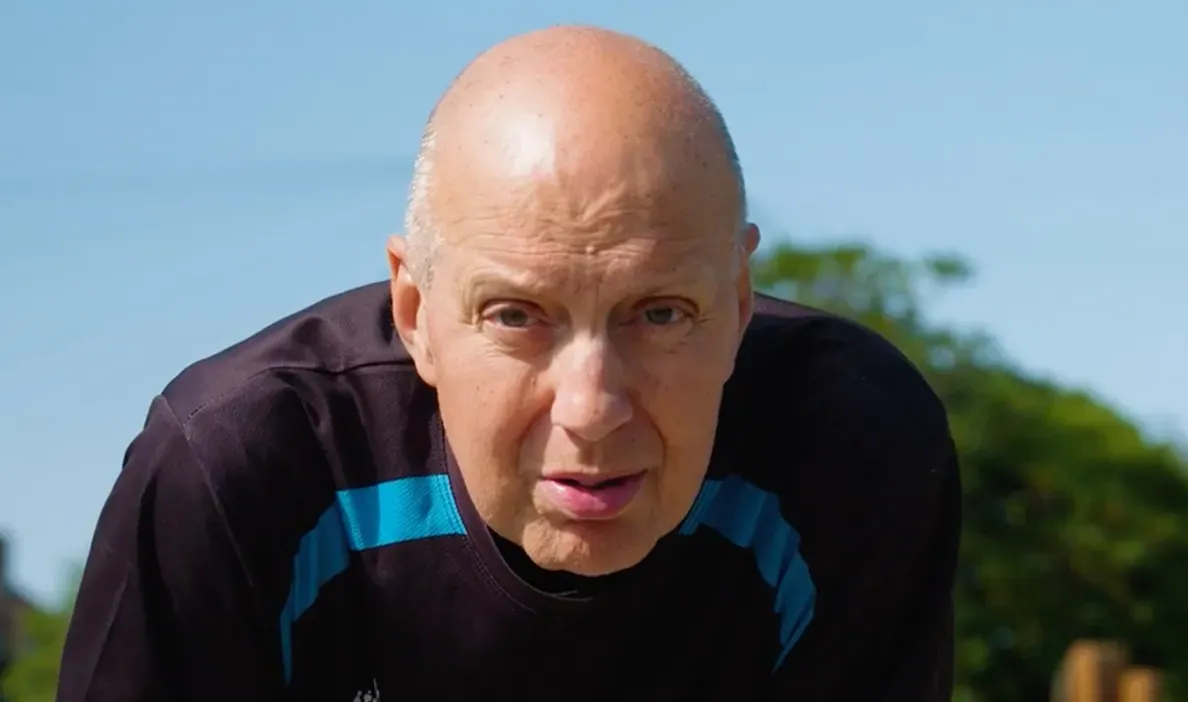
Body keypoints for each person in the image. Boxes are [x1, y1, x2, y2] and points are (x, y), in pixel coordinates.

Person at [57, 25, 960, 701]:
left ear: (737, 305)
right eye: (518, 316)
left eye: (659, 313)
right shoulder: (236, 470)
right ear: (415, 313)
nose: (592, 408)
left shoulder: (856, 453)